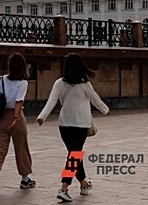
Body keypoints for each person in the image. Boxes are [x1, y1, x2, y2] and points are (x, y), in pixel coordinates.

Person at [37, 52, 110, 203]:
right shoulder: (85, 85)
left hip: (64, 125)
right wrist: (105, 110)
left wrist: (42, 116)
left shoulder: (59, 83)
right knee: (74, 156)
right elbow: (96, 100)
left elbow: (51, 102)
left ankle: (84, 184)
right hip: (80, 126)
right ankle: (64, 188)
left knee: (73, 155)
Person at [0, 52, 35, 194]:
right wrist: (16, 119)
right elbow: (19, 102)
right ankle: (25, 179)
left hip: (1, 117)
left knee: (0, 147)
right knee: (21, 148)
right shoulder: (23, 82)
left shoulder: (0, 79)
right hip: (15, 116)